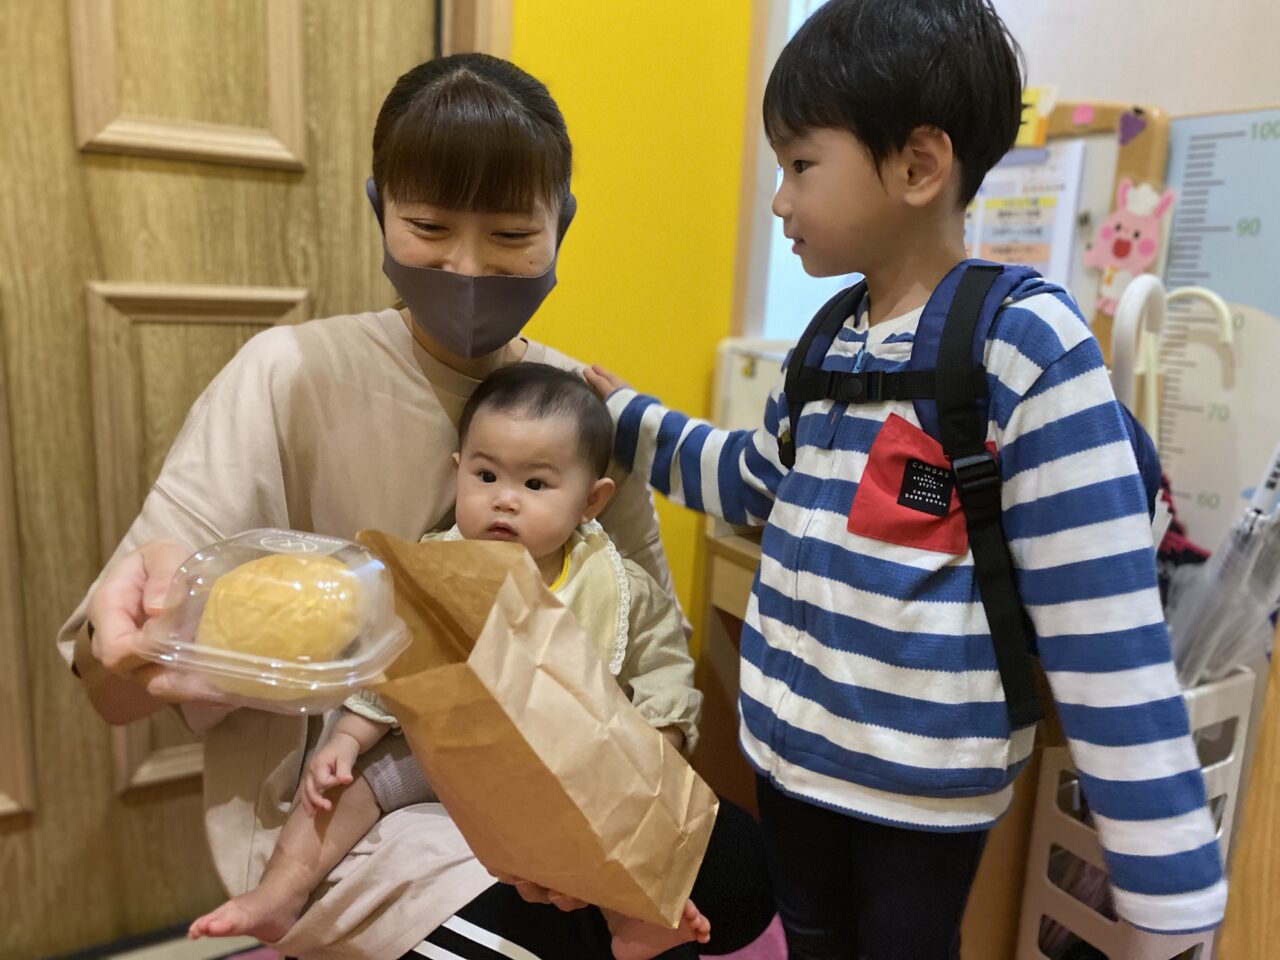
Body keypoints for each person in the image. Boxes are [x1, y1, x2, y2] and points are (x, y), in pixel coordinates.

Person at [62, 54, 773, 960]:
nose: (467, 267)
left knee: (737, 873)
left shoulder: (581, 410)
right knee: (546, 935)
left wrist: (606, 805)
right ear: (380, 212)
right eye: (429, 226)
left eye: (511, 233)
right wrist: (138, 641)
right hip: (358, 791)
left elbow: (644, 635)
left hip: (554, 762)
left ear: (561, 225)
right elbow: (112, 682)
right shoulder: (286, 379)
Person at [586, 2, 1226, 957]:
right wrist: (629, 418)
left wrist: (1166, 877)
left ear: (919, 167)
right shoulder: (825, 341)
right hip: (789, 757)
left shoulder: (1024, 343)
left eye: (801, 165)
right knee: (812, 940)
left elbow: (1102, 618)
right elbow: (755, 480)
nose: (779, 201)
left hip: (922, 791)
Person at [189, 363, 713, 960]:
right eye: (486, 475)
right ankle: (279, 893)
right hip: (440, 758)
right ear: (457, 470)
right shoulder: (434, 567)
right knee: (338, 790)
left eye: (535, 484)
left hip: (565, 766)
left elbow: (664, 670)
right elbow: (392, 664)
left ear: (591, 501)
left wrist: (659, 741)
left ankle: (637, 920)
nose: (504, 500)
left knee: (621, 821)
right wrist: (348, 739)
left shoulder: (618, 586)